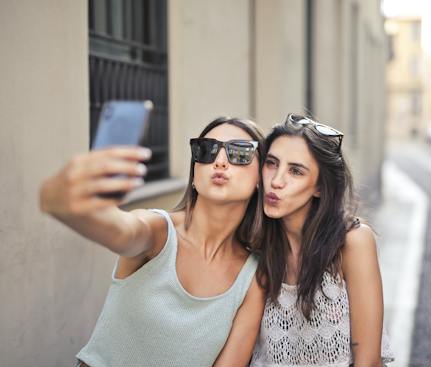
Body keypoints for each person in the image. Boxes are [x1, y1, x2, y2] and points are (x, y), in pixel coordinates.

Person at [39, 117, 266, 367]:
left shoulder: (253, 277)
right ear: (194, 173)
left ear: (260, 179)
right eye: (207, 149)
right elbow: (122, 231)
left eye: (239, 152)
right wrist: (66, 200)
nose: (220, 161)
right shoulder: (158, 231)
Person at [250, 114, 394, 367]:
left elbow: (368, 361)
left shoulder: (351, 243)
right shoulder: (255, 247)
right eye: (271, 163)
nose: (276, 181)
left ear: (319, 186)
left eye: (295, 171)